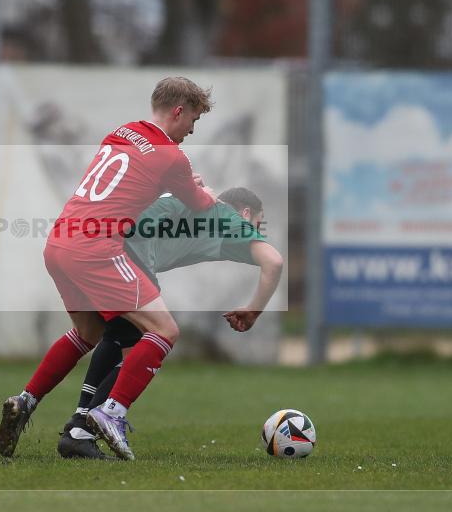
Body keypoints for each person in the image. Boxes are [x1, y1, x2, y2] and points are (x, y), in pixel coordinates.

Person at [0, 77, 216, 461]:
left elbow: (125, 193)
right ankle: (111, 412)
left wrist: (175, 189)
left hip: (60, 243)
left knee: (88, 333)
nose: (192, 131)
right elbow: (199, 204)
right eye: (193, 120)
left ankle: (27, 400)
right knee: (164, 330)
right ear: (178, 111)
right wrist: (205, 194)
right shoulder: (172, 156)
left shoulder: (121, 133)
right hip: (95, 249)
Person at [57, 187, 284, 459]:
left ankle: (53, 412)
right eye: (258, 223)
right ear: (246, 213)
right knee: (156, 336)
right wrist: (254, 311)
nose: (256, 232)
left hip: (91, 243)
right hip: (120, 255)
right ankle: (101, 417)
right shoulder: (230, 219)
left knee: (113, 336)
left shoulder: (199, 211)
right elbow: (274, 262)